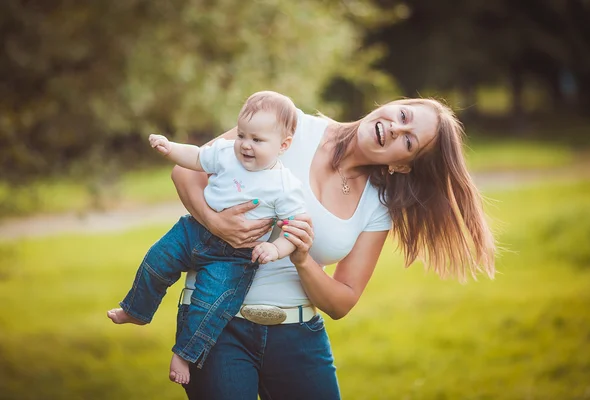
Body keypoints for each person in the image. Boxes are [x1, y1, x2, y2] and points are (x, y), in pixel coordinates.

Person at [172, 96, 496, 400]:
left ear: (404, 166)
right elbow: (187, 170)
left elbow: (342, 300)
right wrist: (218, 224)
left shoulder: (377, 205)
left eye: (408, 141)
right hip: (214, 319)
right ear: (393, 104)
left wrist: (302, 260)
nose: (397, 128)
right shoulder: (290, 128)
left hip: (298, 335)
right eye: (403, 115)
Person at [107, 91, 306, 385]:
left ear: (284, 145)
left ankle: (185, 354)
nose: (246, 145)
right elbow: (196, 157)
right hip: (194, 231)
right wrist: (169, 147)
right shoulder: (227, 152)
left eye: (257, 140)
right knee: (156, 261)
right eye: (242, 135)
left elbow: (294, 227)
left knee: (210, 305)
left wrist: (274, 249)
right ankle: (136, 309)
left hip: (235, 256)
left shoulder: (284, 185)